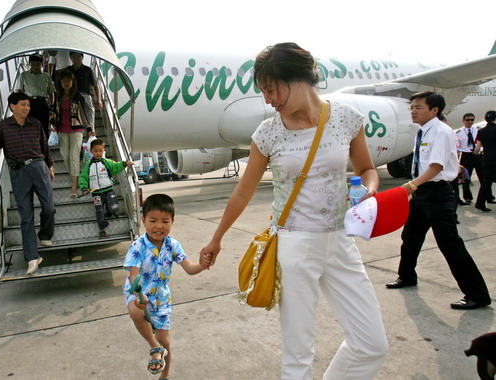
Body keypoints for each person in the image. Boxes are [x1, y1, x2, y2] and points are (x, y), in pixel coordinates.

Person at [199, 42, 388, 379]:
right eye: (264, 92)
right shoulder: (268, 133)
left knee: (372, 344)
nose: (268, 99)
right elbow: (243, 192)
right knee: (298, 357)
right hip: (294, 245)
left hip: (341, 242)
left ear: (300, 79)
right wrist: (217, 238)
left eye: (272, 89)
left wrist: (370, 190)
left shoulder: (346, 118)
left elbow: (366, 169)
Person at [386, 91, 491, 310]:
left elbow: (436, 167)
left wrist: (411, 185)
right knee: (411, 237)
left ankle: (477, 295)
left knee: (450, 245)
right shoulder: (423, 131)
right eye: (412, 107)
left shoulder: (441, 132)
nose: (413, 111)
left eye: (418, 107)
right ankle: (406, 276)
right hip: (422, 193)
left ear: (434, 110)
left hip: (438, 194)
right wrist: (416, 188)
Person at [123, 194, 205, 379]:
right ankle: (153, 346)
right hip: (140, 294)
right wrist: (137, 296)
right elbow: (133, 274)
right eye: (153, 220)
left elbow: (190, 268)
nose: (159, 226)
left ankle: (165, 374)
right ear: (143, 220)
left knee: (165, 341)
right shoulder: (137, 247)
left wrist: (204, 264)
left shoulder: (173, 245)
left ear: (172, 222)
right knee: (135, 311)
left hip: (161, 298)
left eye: (165, 221)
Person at [0, 92, 55, 275]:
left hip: (38, 167)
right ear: (12, 106)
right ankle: (32, 257)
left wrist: (51, 166)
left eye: (28, 105)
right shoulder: (4, 127)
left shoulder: (35, 124)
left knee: (49, 207)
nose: (27, 108)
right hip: (18, 172)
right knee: (26, 217)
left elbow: (44, 146)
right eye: (23, 105)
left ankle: (45, 234)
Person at [78, 139, 133, 238]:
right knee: (99, 210)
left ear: (104, 151)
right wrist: (84, 188)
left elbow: (116, 166)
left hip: (108, 190)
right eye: (96, 151)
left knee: (112, 206)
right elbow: (83, 177)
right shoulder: (88, 165)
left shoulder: (107, 162)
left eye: (100, 151)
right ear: (91, 151)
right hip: (96, 193)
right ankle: (102, 229)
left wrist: (125, 163)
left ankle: (110, 211)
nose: (98, 153)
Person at [52, 69, 88, 198]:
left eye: (69, 80)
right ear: (60, 82)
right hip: (62, 130)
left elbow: (84, 114)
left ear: (73, 81)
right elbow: (54, 113)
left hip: (76, 130)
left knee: (74, 157)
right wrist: (53, 125)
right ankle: (75, 176)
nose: (66, 83)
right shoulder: (57, 97)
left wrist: (88, 128)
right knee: (65, 156)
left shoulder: (78, 96)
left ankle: (74, 188)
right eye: (64, 80)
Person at [14, 54, 56, 136]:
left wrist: (52, 105)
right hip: (29, 103)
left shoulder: (46, 76)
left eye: (38, 64)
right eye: (33, 64)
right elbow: (19, 90)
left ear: (42, 64)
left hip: (42, 103)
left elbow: (51, 92)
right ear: (29, 64)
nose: (36, 67)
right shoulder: (24, 75)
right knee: (29, 127)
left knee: (43, 127)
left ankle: (43, 147)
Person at [455, 112, 492, 204]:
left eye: (472, 120)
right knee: (466, 178)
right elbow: (457, 147)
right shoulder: (459, 133)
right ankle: (467, 197)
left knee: (484, 177)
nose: (470, 122)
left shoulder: (478, 130)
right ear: (463, 121)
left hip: (477, 155)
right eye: (468, 120)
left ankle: (489, 197)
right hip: (466, 155)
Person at [66, 51, 103, 131]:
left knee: (89, 119)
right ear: (71, 58)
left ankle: (91, 138)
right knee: (74, 120)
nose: (76, 59)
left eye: (78, 57)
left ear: (82, 57)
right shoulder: (68, 70)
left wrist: (99, 100)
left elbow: (96, 85)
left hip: (85, 96)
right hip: (72, 96)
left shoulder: (88, 70)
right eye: (74, 57)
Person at [474, 110, 496, 211]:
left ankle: (480, 203)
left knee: (486, 181)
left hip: (486, 158)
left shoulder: (481, 131)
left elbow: (477, 149)